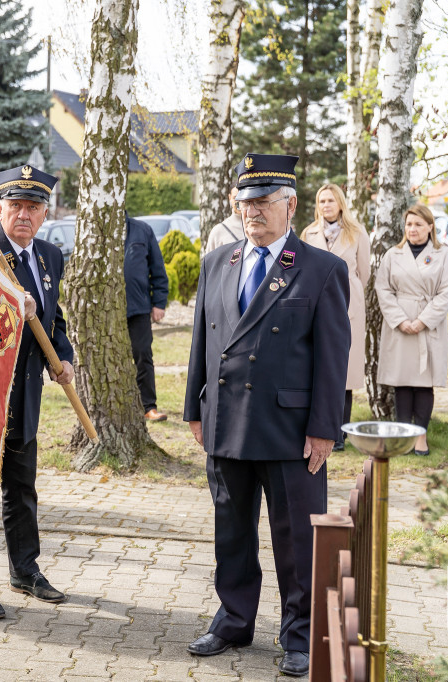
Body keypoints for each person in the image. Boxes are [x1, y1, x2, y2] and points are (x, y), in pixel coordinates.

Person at [183, 154, 350, 678]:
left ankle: (298, 634)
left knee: (297, 540)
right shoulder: (219, 262)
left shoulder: (322, 268)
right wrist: (194, 408)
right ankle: (234, 619)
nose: (252, 212)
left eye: (262, 202)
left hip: (290, 431)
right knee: (230, 531)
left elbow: (332, 357)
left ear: (291, 205)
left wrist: (325, 429)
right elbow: (202, 344)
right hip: (227, 422)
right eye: (245, 203)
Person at [0, 164, 74, 620]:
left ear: (45, 213)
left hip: (27, 392)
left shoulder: (51, 257)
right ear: (0, 208)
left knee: (21, 486)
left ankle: (25, 569)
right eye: (15, 205)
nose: (23, 215)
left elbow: (53, 321)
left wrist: (64, 354)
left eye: (33, 207)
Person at [374, 204, 448, 455]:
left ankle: (420, 436)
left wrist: (422, 321)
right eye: (409, 224)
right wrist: (400, 319)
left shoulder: (443, 255)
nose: (413, 229)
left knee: (423, 382)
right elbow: (383, 289)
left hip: (427, 325)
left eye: (418, 224)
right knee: (402, 381)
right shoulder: (393, 254)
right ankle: (402, 434)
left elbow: (446, 293)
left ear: (430, 226)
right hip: (399, 324)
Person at [300, 183, 370, 450]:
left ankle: (340, 432)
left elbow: (364, 272)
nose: (326, 205)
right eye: (321, 201)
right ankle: (319, 427)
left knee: (344, 371)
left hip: (348, 305)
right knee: (318, 367)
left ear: (340, 203)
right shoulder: (309, 233)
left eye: (330, 200)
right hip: (316, 305)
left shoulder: (357, 233)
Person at [124, 214, 169, 421]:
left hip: (138, 308)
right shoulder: (97, 228)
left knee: (143, 355)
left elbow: (157, 269)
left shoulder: (142, 230)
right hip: (104, 311)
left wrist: (159, 302)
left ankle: (148, 406)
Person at [202, 185, 243, 255]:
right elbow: (210, 263)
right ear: (229, 197)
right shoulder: (219, 231)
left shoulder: (258, 228)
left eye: (242, 197)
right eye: (235, 198)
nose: (239, 202)